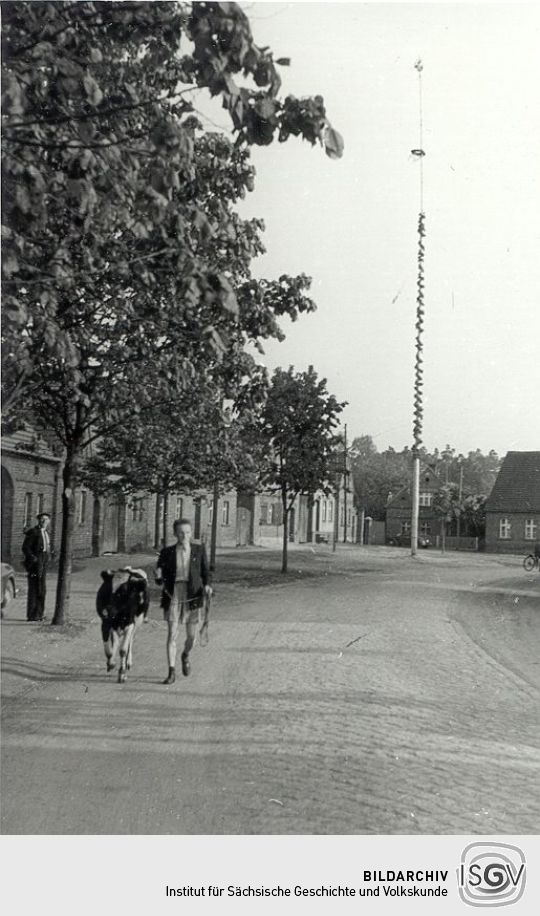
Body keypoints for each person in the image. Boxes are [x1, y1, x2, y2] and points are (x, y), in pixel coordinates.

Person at [155, 519, 212, 685]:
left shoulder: (199, 550)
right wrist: (158, 576)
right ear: (175, 534)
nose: (184, 535)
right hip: (173, 594)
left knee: (191, 637)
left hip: (192, 594)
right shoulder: (167, 553)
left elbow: (206, 572)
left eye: (187, 532)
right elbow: (160, 579)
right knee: (172, 634)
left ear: (191, 532)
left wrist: (207, 586)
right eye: (181, 532)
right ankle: (171, 671)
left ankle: (185, 654)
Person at [22, 512, 52, 621]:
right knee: (35, 588)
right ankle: (32, 615)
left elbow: (46, 546)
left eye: (46, 520)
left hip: (44, 561)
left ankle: (39, 613)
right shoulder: (33, 532)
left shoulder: (46, 532)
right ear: (38, 521)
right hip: (36, 563)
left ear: (49, 521)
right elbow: (26, 548)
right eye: (42, 519)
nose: (44, 522)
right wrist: (33, 558)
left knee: (42, 589)